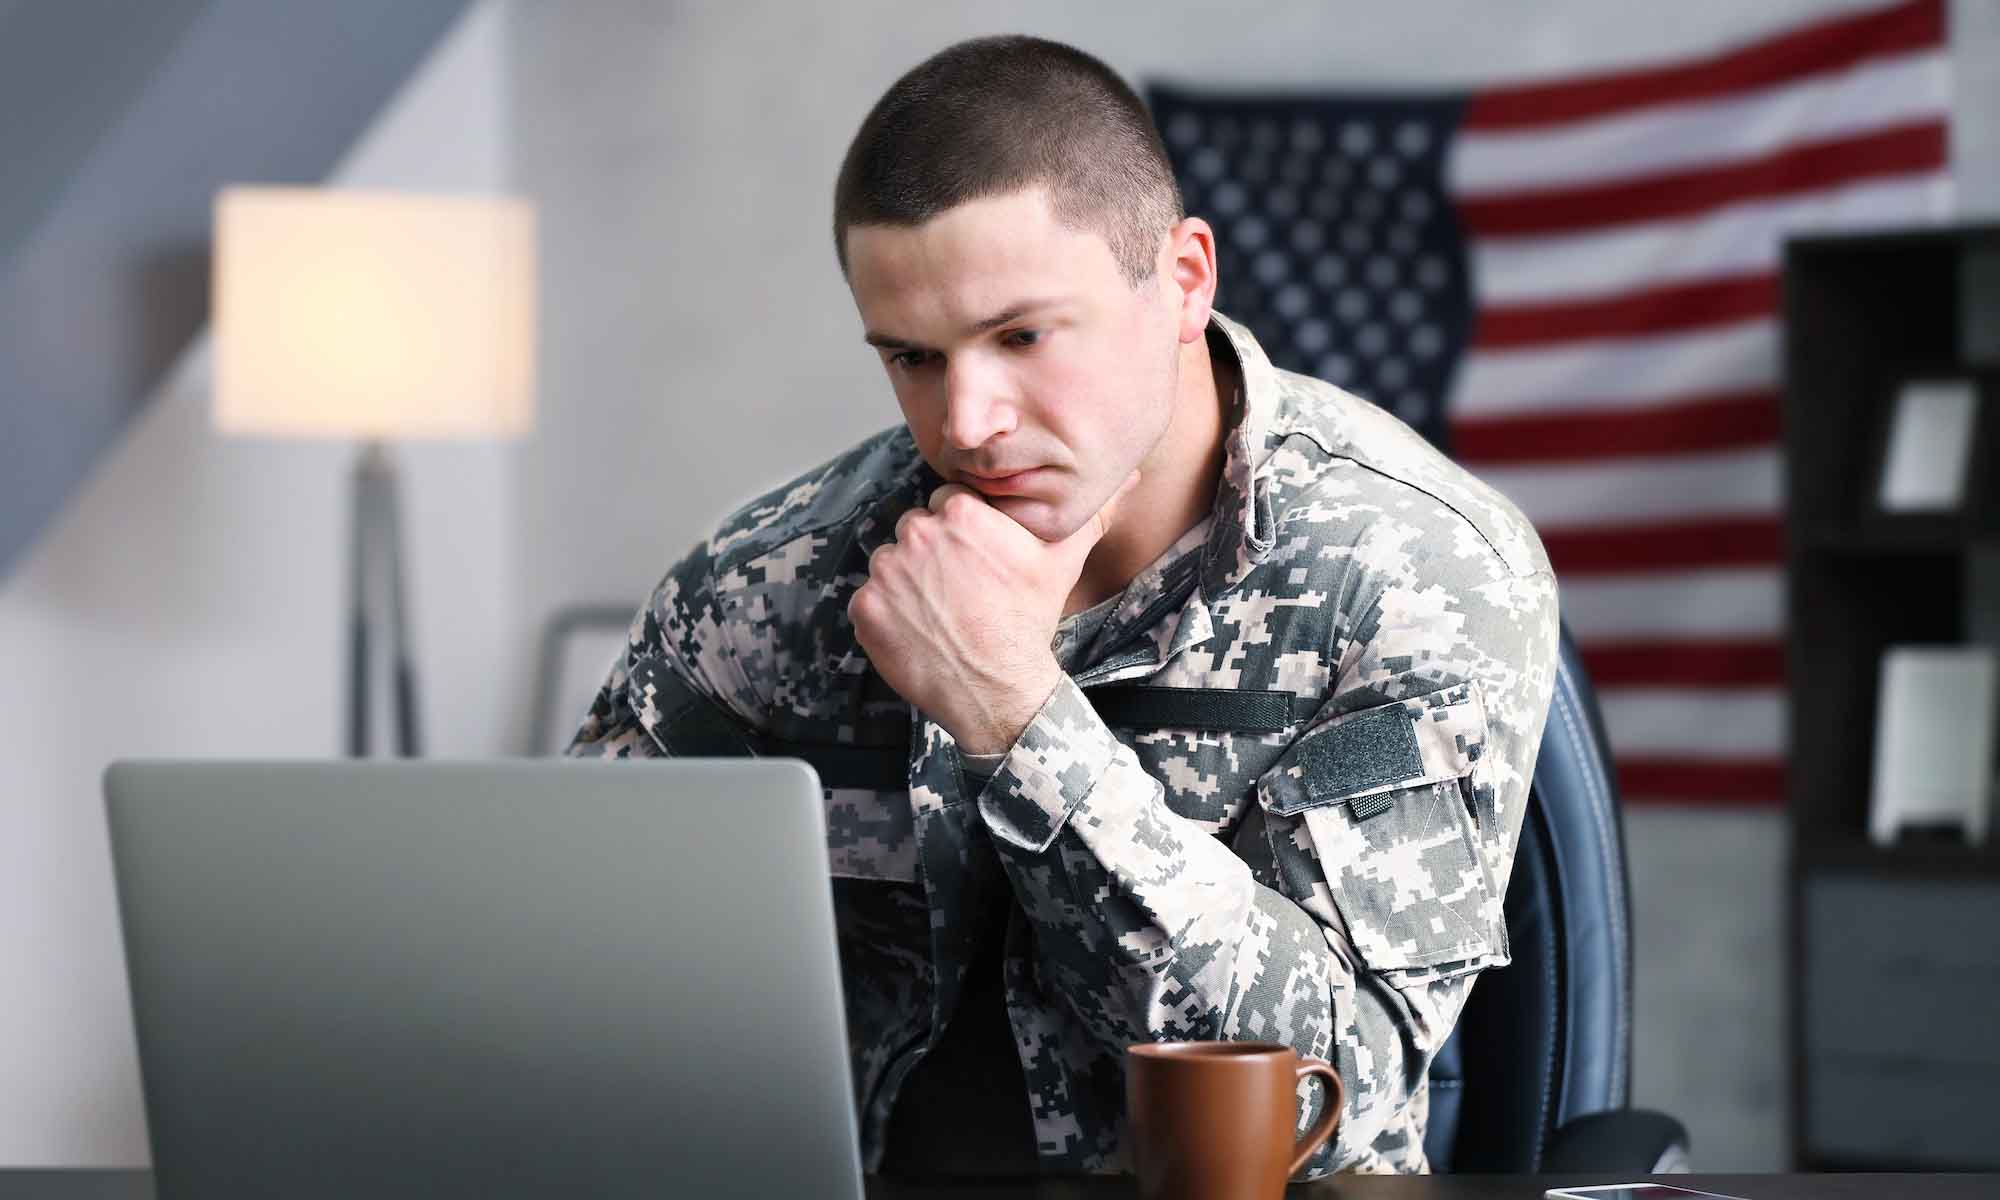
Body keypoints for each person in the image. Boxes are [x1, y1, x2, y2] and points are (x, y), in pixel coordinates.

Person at [570, 34, 1559, 1178]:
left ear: (1183, 279)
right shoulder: (766, 584)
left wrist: (1011, 713)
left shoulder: (1414, 571)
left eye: (1021, 336)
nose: (967, 422)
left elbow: (1318, 1093)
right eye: (911, 357)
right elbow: (570, 972)